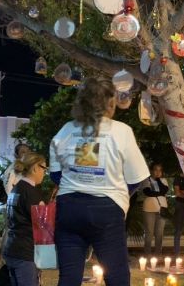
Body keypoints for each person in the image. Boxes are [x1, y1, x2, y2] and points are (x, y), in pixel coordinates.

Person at [49, 77, 150, 285]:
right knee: (117, 276)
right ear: (110, 102)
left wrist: (77, 180)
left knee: (68, 277)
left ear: (81, 101)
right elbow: (137, 178)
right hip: (107, 210)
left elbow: (55, 174)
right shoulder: (121, 131)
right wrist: (117, 195)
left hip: (69, 209)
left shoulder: (66, 130)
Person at [2, 152, 47, 286]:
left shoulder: (16, 189)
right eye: (44, 169)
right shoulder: (31, 193)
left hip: (12, 248)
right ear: (35, 168)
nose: (45, 173)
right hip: (26, 252)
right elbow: (43, 223)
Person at [142, 162, 169, 256]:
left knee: (159, 233)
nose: (158, 172)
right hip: (149, 210)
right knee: (149, 233)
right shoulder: (146, 180)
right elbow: (148, 192)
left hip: (162, 209)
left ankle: (158, 254)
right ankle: (147, 254)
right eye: (155, 169)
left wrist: (158, 180)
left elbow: (165, 190)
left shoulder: (163, 180)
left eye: (160, 170)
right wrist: (160, 193)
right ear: (151, 170)